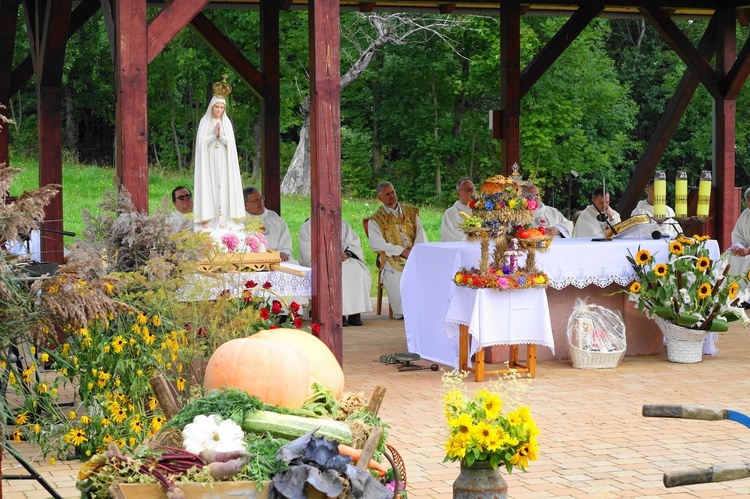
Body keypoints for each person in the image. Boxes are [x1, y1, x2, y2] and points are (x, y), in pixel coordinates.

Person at [367, 182, 428, 319]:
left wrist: (416, 250)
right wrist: (400, 251)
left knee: (428, 272)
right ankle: (405, 312)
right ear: (380, 198)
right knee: (396, 277)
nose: (392, 196)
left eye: (392, 192)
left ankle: (425, 309)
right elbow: (376, 244)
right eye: (387, 194)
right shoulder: (375, 219)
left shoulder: (411, 212)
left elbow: (421, 234)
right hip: (392, 258)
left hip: (414, 254)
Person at [192, 77, 246, 231]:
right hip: (209, 162)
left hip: (224, 161)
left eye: (222, 107)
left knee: (224, 187)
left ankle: (224, 218)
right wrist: (213, 136)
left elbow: (231, 144)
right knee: (210, 186)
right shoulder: (205, 122)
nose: (219, 110)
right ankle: (208, 217)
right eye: (217, 107)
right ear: (211, 107)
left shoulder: (226, 123)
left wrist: (221, 136)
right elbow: (201, 143)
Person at [298, 219, 372, 326]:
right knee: (339, 273)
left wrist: (347, 254)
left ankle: (355, 313)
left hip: (343, 259)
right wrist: (329, 256)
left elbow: (353, 242)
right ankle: (338, 314)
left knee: (357, 270)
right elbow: (307, 250)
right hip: (321, 261)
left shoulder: (342, 223)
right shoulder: (308, 226)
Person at [243, 186, 297, 263]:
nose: (260, 202)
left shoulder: (273, 216)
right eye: (255, 200)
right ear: (245, 204)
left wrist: (283, 251)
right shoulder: (241, 221)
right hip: (252, 260)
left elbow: (285, 237)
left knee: (295, 266)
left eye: (261, 198)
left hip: (277, 258)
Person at [727, 188, 750, 288]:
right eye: (748, 203)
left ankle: (746, 297)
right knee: (729, 256)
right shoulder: (745, 214)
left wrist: (748, 250)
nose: (749, 206)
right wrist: (738, 246)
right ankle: (732, 295)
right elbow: (738, 234)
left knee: (748, 261)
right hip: (745, 250)